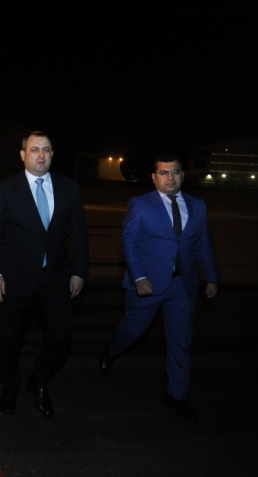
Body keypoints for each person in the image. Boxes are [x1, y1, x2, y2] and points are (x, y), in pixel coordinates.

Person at [99, 153, 219, 420]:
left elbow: (203, 244)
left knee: (181, 342)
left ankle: (177, 395)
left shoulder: (198, 206)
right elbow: (129, 243)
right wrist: (139, 277)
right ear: (154, 178)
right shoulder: (140, 205)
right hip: (148, 284)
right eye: (163, 173)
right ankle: (112, 348)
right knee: (134, 330)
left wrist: (211, 277)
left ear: (182, 176)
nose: (170, 178)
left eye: (175, 172)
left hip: (183, 286)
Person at [0, 131, 89, 418]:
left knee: (62, 336)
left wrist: (79, 271)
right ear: (23, 155)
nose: (40, 155)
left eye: (46, 150)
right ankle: (10, 385)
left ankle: (39, 380)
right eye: (34, 150)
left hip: (56, 278)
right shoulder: (6, 189)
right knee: (10, 339)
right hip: (14, 277)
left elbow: (78, 233)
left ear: (52, 155)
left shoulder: (69, 188)